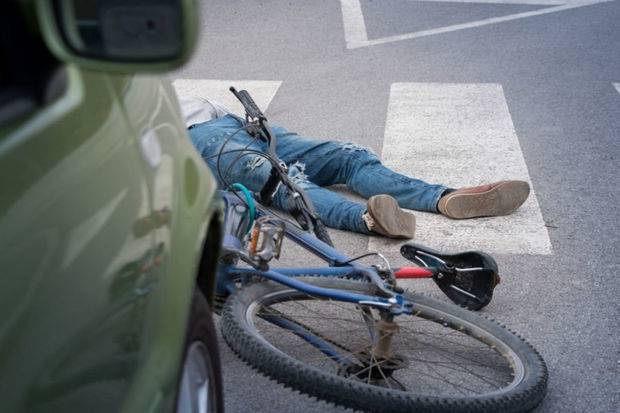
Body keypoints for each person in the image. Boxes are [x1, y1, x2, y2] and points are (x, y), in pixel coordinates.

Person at [181, 95, 530, 239]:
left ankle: (443, 198)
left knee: (345, 156)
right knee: (288, 181)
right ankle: (372, 219)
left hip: (242, 126)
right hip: (199, 140)